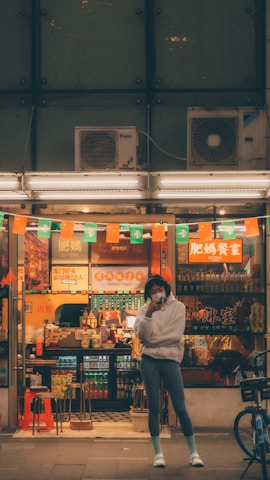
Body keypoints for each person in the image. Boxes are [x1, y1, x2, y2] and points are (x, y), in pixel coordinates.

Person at [134, 274, 204, 468]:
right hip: (149, 360)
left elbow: (175, 335)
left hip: (170, 360)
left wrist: (154, 339)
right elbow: (142, 335)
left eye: (159, 289)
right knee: (154, 407)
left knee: (180, 406)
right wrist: (148, 314)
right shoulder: (144, 310)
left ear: (166, 288)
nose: (157, 293)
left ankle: (194, 453)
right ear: (148, 294)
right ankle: (158, 454)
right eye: (152, 291)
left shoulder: (179, 307)